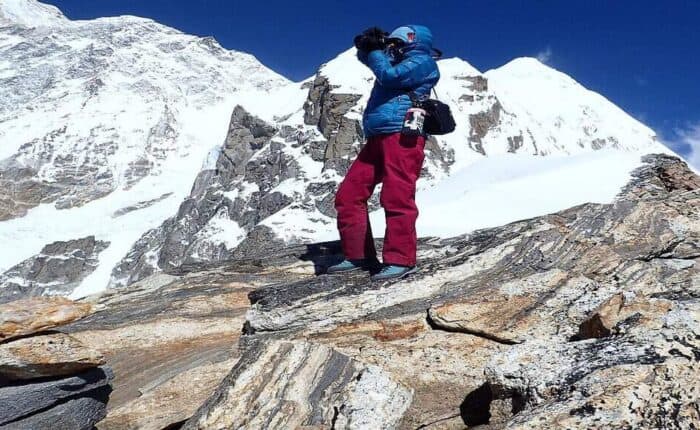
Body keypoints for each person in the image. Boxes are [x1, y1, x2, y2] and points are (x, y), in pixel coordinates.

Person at [327, 25, 440, 281]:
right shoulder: (398, 60)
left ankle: (401, 259)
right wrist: (367, 48)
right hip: (379, 137)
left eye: (397, 42)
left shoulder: (422, 62)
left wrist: (376, 51)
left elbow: (389, 76)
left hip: (403, 135)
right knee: (349, 195)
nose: (392, 46)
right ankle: (358, 255)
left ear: (412, 40)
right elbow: (376, 64)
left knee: (397, 196)